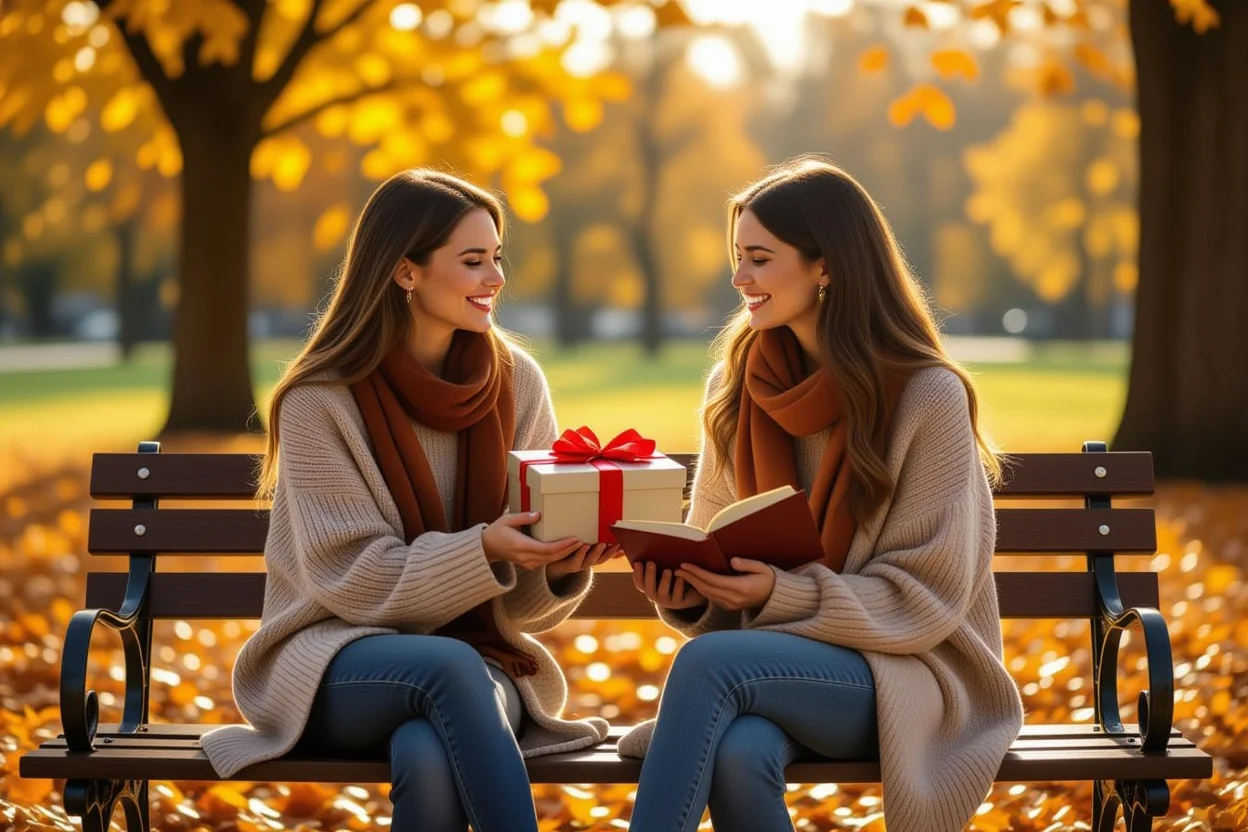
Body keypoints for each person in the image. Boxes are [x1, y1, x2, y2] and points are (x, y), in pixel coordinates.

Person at [202, 169, 614, 831]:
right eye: (473, 261)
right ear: (406, 273)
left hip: (476, 670)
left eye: (497, 259)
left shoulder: (519, 384)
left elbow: (520, 611)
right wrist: (484, 548)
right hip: (331, 664)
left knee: (427, 750)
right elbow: (355, 581)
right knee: (448, 669)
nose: (496, 279)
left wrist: (561, 561)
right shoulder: (320, 400)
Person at [621, 157, 1024, 832]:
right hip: (782, 665)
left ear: (826, 267)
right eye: (737, 257)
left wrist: (777, 595)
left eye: (759, 258)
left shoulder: (926, 396)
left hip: (911, 677)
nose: (738, 277)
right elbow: (716, 543)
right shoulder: (738, 387)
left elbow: (925, 598)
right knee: (740, 752)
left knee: (708, 665)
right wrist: (691, 593)